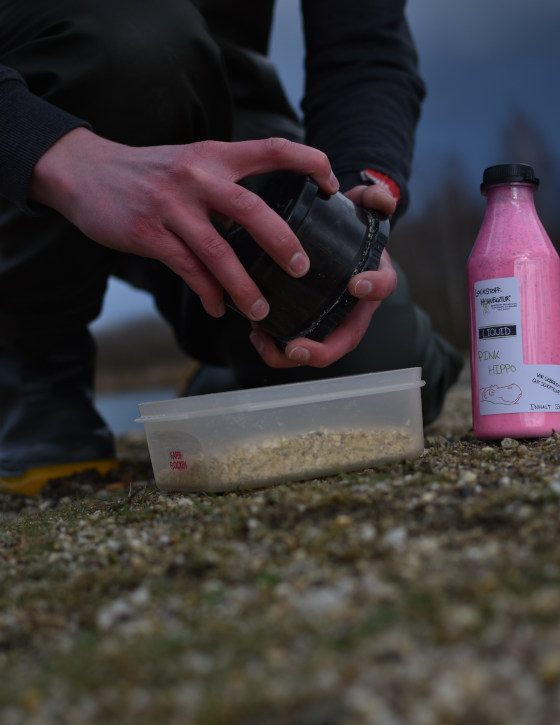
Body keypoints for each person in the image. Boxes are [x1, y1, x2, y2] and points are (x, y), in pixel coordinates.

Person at [0, 0, 462, 495]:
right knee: (134, 37)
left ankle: (228, 371)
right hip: (31, 109)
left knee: (376, 374)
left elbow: (364, 48)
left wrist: (353, 203)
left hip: (218, 120)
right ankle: (36, 371)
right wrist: (56, 153)